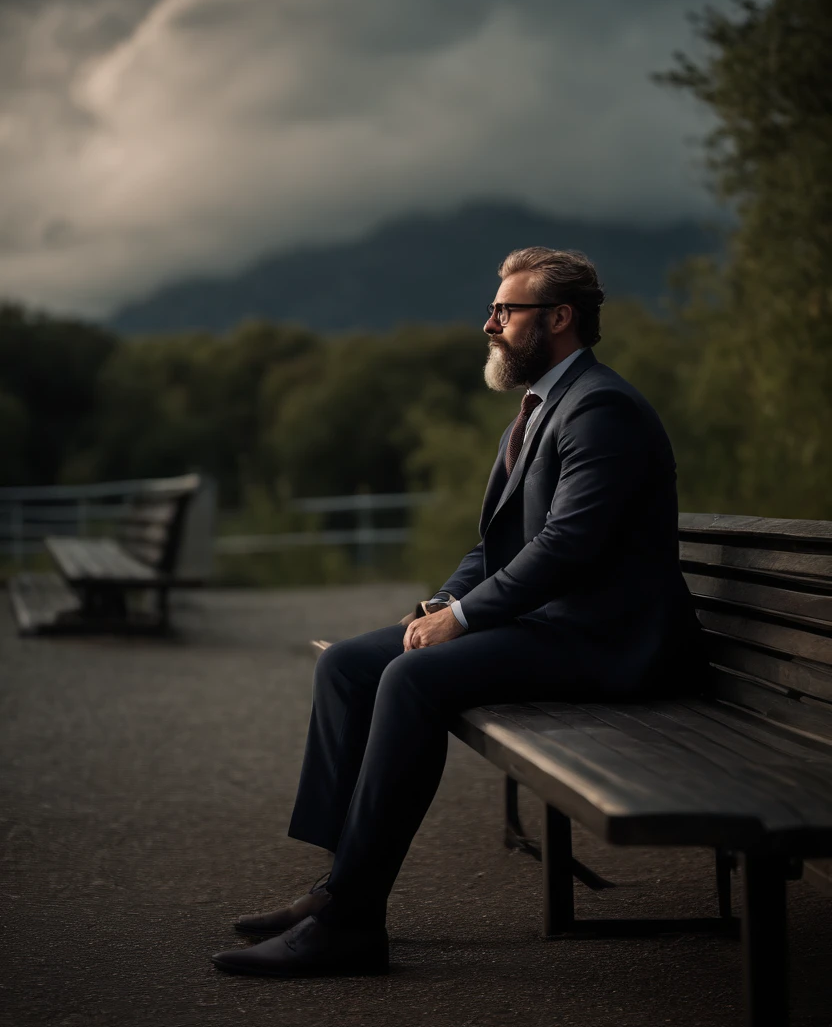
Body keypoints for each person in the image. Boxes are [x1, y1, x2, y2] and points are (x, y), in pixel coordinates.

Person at [212, 246, 705, 978]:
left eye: (506, 311)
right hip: (551, 626)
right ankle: (337, 887)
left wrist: (465, 622)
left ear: (559, 318)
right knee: (350, 665)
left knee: (413, 680)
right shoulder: (543, 407)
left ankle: (351, 920)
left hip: (606, 642)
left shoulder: (600, 408)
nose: (490, 324)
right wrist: (445, 603)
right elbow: (498, 542)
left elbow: (567, 545)